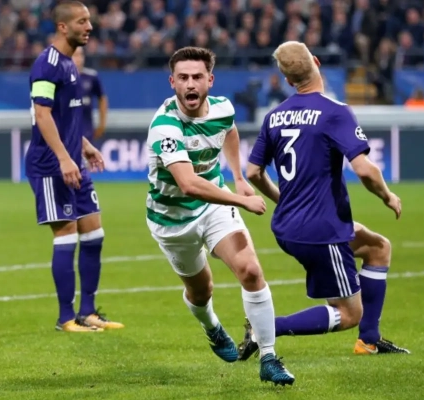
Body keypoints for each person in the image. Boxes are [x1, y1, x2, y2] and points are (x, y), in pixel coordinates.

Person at [237, 41, 410, 360]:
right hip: (320, 230)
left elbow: (253, 172)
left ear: (288, 81)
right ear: (316, 62)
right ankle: (265, 329)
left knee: (377, 248)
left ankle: (369, 341)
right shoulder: (334, 112)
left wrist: (281, 199)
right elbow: (365, 170)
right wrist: (387, 195)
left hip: (290, 225)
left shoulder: (274, 116)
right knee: (349, 313)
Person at [145, 46, 295, 386]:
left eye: (197, 77)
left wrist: (238, 176)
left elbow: (229, 130)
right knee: (201, 292)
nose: (190, 84)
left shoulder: (223, 107)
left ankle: (269, 357)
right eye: (183, 77)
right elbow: (188, 184)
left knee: (250, 270)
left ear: (210, 80)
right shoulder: (165, 126)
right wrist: (241, 200)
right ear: (172, 82)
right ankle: (211, 326)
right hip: (172, 219)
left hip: (214, 205)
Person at [26, 0, 123, 333]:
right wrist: (65, 158)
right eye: (82, 21)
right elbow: (42, 115)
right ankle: (66, 318)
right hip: (51, 166)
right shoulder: (47, 64)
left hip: (73, 161)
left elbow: (64, 119)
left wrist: (83, 146)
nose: (90, 27)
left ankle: (88, 312)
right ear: (63, 26)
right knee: (66, 234)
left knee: (94, 232)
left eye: (89, 20)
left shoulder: (70, 64)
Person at [71, 46, 108, 142]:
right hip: (67, 134)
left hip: (87, 132)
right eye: (75, 55)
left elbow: (102, 98)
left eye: (81, 55)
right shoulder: (61, 78)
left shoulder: (91, 77)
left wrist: (102, 124)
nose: (79, 59)